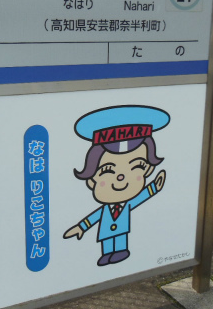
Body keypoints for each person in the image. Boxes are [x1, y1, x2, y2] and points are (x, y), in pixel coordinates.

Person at [63, 105, 169, 266]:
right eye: (107, 170)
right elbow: (94, 217)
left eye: (137, 166)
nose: (121, 178)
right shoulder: (106, 209)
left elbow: (141, 197)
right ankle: (107, 254)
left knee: (120, 241)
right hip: (105, 231)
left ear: (147, 170)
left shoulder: (127, 204)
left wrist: (154, 187)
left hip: (121, 230)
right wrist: (81, 227)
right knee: (107, 243)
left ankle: (120, 251)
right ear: (91, 179)